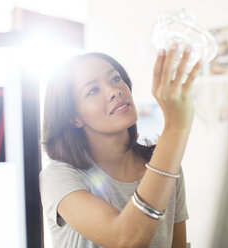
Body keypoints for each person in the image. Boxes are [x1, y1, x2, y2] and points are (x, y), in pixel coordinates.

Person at [40, 43, 201, 248]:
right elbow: (125, 240)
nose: (114, 91)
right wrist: (176, 126)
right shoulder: (58, 176)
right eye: (93, 90)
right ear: (74, 118)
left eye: (115, 79)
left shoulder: (166, 166)